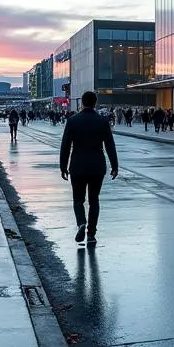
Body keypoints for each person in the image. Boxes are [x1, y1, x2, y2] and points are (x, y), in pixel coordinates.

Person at [59, 90, 118, 247]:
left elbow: (65, 146)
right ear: (95, 103)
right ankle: (91, 233)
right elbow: (110, 145)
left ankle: (81, 223)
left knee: (78, 200)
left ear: (82, 103)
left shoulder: (72, 121)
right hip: (97, 166)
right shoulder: (102, 121)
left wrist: (63, 166)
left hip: (77, 166)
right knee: (94, 200)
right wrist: (115, 166)